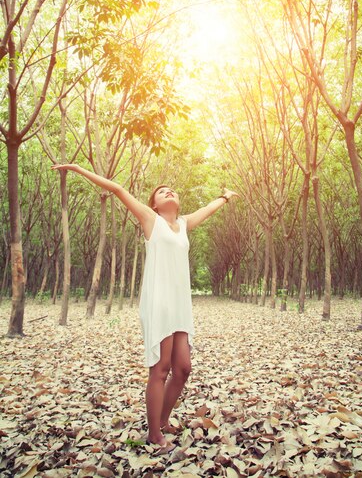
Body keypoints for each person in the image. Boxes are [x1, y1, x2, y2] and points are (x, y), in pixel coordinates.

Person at [52, 163, 237, 453]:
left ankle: (162, 420)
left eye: (171, 190)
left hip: (180, 304)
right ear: (153, 203)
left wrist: (225, 197)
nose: (169, 192)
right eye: (162, 192)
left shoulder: (185, 224)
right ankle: (153, 433)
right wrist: (76, 168)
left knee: (184, 368)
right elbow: (116, 189)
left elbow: (208, 210)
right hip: (159, 301)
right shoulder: (151, 220)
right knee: (161, 368)